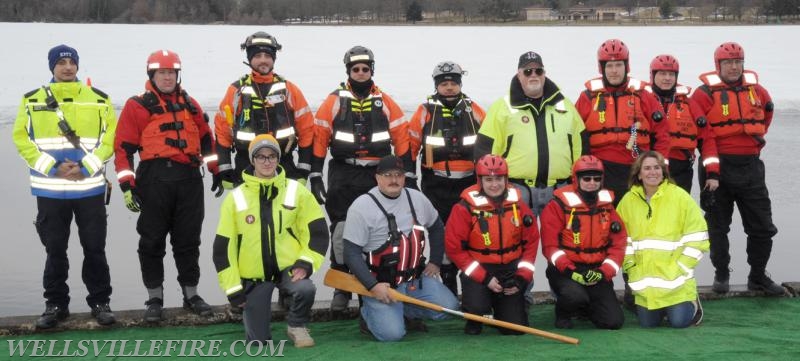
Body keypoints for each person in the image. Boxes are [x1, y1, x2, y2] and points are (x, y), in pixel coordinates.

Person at [13, 44, 117, 328]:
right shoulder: (31, 100)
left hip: (90, 189)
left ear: (78, 66)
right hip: (50, 191)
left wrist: (86, 167)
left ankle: (100, 301)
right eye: (61, 63)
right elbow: (22, 139)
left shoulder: (99, 99)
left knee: (95, 248)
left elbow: (111, 139)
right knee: (55, 249)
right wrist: (53, 167)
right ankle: (55, 304)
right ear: (52, 67)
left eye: (72, 62)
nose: (67, 67)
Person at [114, 49, 218, 322]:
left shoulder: (191, 104)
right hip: (154, 180)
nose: (167, 77)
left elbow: (207, 139)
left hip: (189, 181)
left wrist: (215, 169)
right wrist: (127, 185)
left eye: (171, 72)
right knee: (151, 242)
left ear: (178, 74)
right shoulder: (137, 106)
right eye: (162, 72)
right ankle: (155, 299)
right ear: (152, 75)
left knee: (188, 242)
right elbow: (123, 149)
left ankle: (191, 294)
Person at [312, 46, 414, 311]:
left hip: (376, 174)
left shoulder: (385, 101)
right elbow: (320, 134)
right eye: (355, 69)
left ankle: (372, 280)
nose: (360, 73)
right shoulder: (335, 100)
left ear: (371, 71)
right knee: (342, 227)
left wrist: (409, 175)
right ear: (348, 71)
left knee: (376, 227)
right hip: (343, 172)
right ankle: (342, 285)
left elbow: (402, 135)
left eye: (365, 69)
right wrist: (314, 173)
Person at [213, 134, 329, 348]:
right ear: (252, 160)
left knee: (305, 289)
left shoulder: (297, 191)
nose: (267, 162)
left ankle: (296, 325)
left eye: (272, 156)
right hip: (254, 276)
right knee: (258, 342)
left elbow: (317, 232)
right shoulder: (235, 198)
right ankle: (260, 312)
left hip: (289, 268)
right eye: (261, 157)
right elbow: (223, 249)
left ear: (278, 159)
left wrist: (305, 263)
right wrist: (233, 289)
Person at [690, 42, 784, 295]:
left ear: (743, 63)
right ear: (717, 65)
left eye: (737, 62)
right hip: (716, 168)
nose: (733, 67)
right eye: (727, 62)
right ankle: (721, 273)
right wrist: (712, 173)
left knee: (762, 226)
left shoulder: (759, 92)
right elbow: (702, 136)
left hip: (751, 167)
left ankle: (757, 276)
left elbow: (765, 119)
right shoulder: (703, 94)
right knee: (718, 226)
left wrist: (751, 146)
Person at [343, 155, 459, 342]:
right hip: (381, 285)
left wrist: (436, 261)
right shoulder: (361, 207)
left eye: (398, 175)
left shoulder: (417, 198)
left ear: (405, 177)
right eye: (388, 175)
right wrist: (373, 286)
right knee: (392, 335)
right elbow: (350, 253)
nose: (394, 180)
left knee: (450, 308)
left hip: (413, 280)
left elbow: (437, 227)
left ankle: (405, 312)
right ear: (377, 177)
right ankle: (368, 315)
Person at [475, 51, 585, 216]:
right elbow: (484, 150)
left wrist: (581, 181)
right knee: (518, 240)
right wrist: (488, 186)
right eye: (527, 72)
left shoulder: (565, 106)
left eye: (538, 71)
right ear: (519, 75)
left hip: (560, 189)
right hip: (516, 190)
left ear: (544, 74)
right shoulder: (501, 108)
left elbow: (581, 146)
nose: (533, 75)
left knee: (561, 241)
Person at [409, 61, 486, 296]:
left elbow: (491, 142)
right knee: (440, 231)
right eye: (444, 84)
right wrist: (409, 177)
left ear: (460, 85)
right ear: (436, 86)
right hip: (436, 183)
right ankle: (448, 279)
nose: (449, 87)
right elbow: (410, 143)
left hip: (469, 184)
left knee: (470, 232)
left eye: (453, 83)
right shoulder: (424, 112)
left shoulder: (475, 110)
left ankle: (472, 281)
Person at [445, 155, 538, 335]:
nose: (494, 184)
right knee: (477, 307)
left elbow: (532, 242)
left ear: (506, 179)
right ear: (480, 181)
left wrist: (521, 277)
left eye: (498, 179)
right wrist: (485, 278)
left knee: (515, 330)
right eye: (489, 179)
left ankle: (501, 310)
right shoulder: (464, 208)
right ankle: (476, 313)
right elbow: (454, 249)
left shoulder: (518, 206)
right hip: (478, 268)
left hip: (510, 270)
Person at [213, 32, 315, 195]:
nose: (263, 60)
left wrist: (303, 168)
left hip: (284, 166)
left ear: (273, 58)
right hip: (245, 167)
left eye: (267, 55)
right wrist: (224, 168)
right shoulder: (235, 91)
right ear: (249, 58)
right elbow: (222, 131)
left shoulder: (289, 89)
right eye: (258, 55)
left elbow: (307, 129)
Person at [616, 151, 708, 328]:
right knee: (647, 324)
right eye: (647, 168)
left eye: (657, 168)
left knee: (679, 322)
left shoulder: (680, 197)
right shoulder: (628, 201)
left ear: (664, 171)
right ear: (639, 174)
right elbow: (620, 239)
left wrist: (681, 266)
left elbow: (698, 237)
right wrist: (630, 266)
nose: (653, 172)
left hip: (676, 280)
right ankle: (663, 310)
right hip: (646, 283)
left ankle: (692, 303)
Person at [575, 39, 667, 206]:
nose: (614, 71)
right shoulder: (587, 97)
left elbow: (662, 134)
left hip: (635, 167)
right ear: (601, 68)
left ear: (627, 66)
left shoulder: (644, 96)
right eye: (609, 66)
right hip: (599, 171)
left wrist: (659, 166)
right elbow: (574, 135)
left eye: (618, 65)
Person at [540, 155, 626, 330]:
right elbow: (550, 248)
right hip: (566, 270)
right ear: (576, 179)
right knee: (574, 296)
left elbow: (619, 244)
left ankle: (586, 307)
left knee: (613, 322)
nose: (592, 182)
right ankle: (564, 313)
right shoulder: (557, 206)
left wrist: (604, 272)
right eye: (586, 178)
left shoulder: (608, 207)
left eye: (597, 178)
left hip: (597, 270)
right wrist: (571, 271)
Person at [645, 54, 720, 193]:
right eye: (662, 73)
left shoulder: (690, 104)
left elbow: (707, 139)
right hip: (649, 170)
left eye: (671, 74)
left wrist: (712, 174)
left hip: (681, 171)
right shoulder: (642, 101)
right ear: (652, 75)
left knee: (678, 213)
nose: (667, 78)